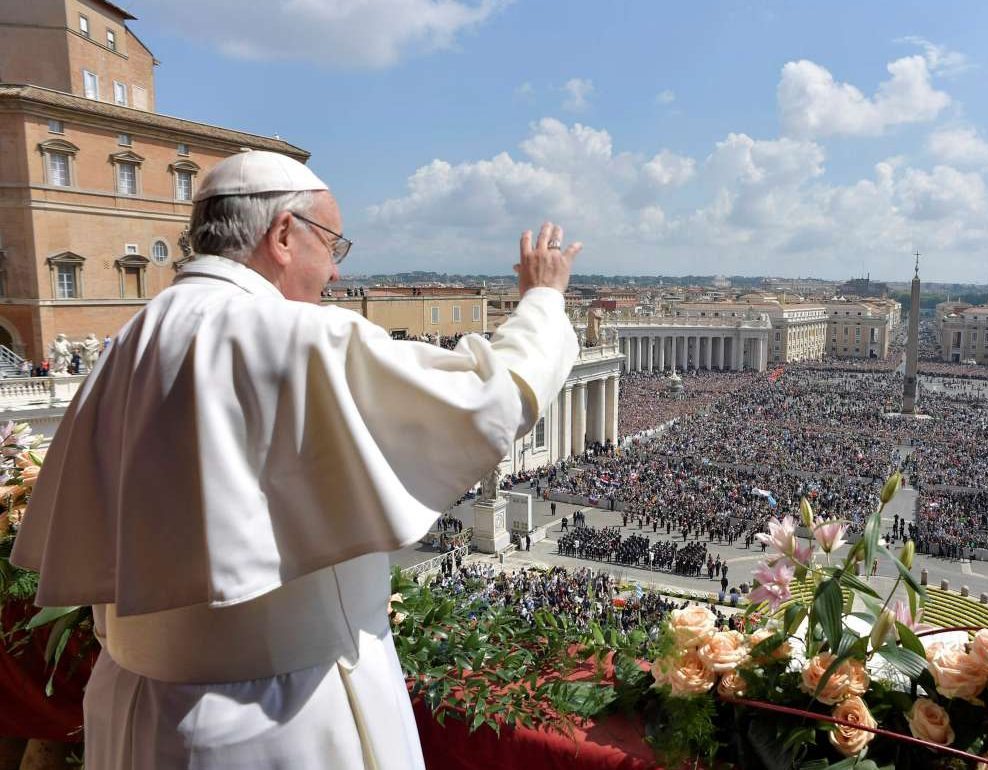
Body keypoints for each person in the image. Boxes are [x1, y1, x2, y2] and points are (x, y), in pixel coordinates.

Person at [12, 151, 583, 770]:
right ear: (283, 235)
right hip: (281, 722)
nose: (335, 276)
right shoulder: (292, 334)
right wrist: (543, 301)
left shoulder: (131, 340)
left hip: (139, 716)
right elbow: (488, 398)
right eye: (332, 247)